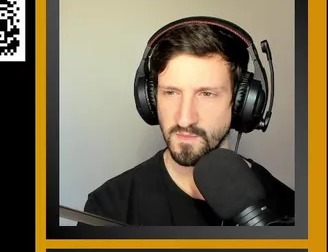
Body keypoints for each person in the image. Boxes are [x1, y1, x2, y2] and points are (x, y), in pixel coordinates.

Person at [85, 19, 294, 225]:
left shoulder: (291, 209)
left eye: (207, 94)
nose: (185, 118)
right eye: (171, 92)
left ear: (243, 103)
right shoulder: (108, 210)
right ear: (149, 98)